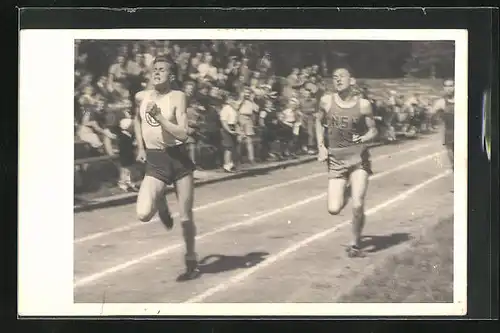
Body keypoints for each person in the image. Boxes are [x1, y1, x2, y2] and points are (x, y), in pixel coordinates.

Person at [133, 56, 199, 281]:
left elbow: (182, 133)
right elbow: (136, 119)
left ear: (170, 76)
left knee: (186, 218)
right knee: (143, 214)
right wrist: (140, 146)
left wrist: (159, 116)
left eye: (162, 69)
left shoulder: (178, 97)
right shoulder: (141, 97)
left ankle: (191, 259)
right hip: (156, 161)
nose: (157, 72)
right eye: (155, 69)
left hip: (178, 160)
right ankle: (161, 203)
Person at [316, 66, 378, 258]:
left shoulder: (363, 105)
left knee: (358, 204)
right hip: (336, 159)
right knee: (334, 209)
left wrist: (365, 138)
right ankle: (350, 189)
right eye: (335, 77)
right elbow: (318, 121)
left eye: (342, 76)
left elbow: (374, 130)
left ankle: (355, 244)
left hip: (358, 158)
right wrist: (321, 146)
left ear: (352, 80)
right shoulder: (326, 101)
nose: (338, 79)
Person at [429, 79, 455, 169]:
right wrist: (433, 123)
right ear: (444, 88)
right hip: (450, 131)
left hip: (464, 130)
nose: (449, 88)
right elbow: (431, 113)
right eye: (447, 86)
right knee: (451, 153)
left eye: (451, 85)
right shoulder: (441, 102)